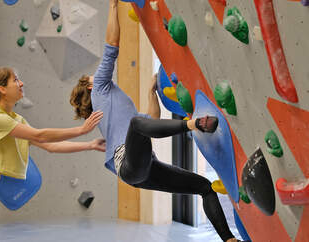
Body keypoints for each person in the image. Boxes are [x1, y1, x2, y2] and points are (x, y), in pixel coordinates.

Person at [69, 1, 245, 242]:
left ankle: (229, 239)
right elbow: (111, 46)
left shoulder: (113, 107)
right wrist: (112, 6)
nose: (98, 73)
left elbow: (151, 121)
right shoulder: (99, 88)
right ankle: (193, 125)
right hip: (127, 164)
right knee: (136, 126)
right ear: (90, 85)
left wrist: (151, 92)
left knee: (204, 186)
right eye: (93, 76)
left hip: (145, 169)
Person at [0, 67, 105, 242]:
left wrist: (90, 145)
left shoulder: (15, 120)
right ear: (2, 89)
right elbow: (39, 135)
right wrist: (81, 130)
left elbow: (50, 146)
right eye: (15, 80)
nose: (21, 83)